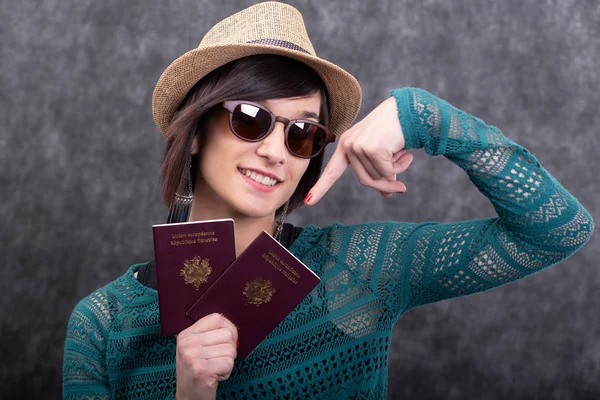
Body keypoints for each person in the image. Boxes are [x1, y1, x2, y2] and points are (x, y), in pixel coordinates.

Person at [62, 2, 594, 399]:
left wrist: (421, 115)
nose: (275, 151)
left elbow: (557, 230)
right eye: (250, 119)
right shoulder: (104, 324)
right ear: (197, 131)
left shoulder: (361, 270)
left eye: (303, 134)